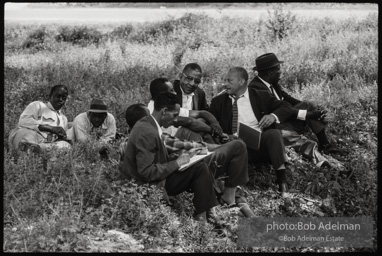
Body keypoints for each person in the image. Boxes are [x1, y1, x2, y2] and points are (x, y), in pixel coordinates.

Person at [120, 102, 253, 217]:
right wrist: (213, 147)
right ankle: (226, 199)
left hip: (164, 174)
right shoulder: (150, 134)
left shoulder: (129, 140)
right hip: (167, 177)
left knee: (199, 136)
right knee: (237, 146)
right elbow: (183, 146)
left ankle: (211, 211)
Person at [119, 92, 219, 221]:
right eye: (174, 115)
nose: (176, 120)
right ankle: (203, 220)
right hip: (147, 186)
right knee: (199, 169)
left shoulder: (147, 124)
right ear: (165, 111)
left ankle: (205, 215)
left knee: (199, 167)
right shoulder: (148, 132)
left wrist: (179, 157)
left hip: (152, 180)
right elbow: (146, 172)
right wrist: (177, 163)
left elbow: (154, 158)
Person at [209, 67, 294, 198]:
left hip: (259, 145)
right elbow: (211, 124)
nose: (225, 84)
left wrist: (272, 116)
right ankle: (230, 187)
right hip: (235, 148)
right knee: (236, 144)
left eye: (229, 80)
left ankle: (282, 183)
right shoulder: (218, 102)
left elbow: (286, 107)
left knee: (274, 134)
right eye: (225, 80)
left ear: (242, 81)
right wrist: (223, 135)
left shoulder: (260, 95)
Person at [248, 53, 345, 156]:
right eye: (278, 69)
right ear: (269, 72)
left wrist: (314, 110)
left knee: (309, 104)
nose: (280, 72)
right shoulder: (257, 88)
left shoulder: (272, 83)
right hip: (274, 126)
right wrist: (311, 115)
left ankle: (325, 145)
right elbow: (285, 110)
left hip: (284, 119)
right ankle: (315, 153)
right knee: (306, 114)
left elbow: (289, 100)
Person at [148, 77, 223, 142]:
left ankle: (214, 148)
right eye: (171, 90)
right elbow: (190, 122)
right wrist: (214, 131)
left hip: (173, 138)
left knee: (201, 121)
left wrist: (214, 123)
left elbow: (201, 113)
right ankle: (212, 150)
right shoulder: (153, 109)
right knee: (187, 130)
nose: (175, 93)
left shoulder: (166, 104)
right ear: (162, 94)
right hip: (167, 143)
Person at [8, 84, 71, 154]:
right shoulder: (38, 106)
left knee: (66, 145)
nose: (60, 100)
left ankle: (36, 150)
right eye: (58, 96)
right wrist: (50, 128)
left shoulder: (63, 119)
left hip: (45, 144)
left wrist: (61, 137)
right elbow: (23, 121)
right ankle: (30, 150)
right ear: (50, 96)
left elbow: (59, 141)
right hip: (31, 137)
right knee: (24, 132)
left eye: (64, 98)